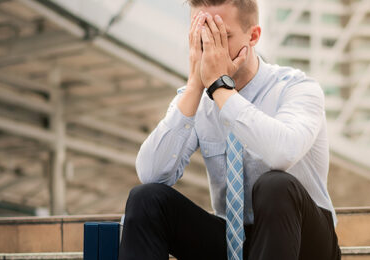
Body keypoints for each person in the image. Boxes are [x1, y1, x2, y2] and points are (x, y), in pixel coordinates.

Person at [118, 0, 341, 259]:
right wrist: (194, 86)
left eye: (222, 36)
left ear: (254, 36)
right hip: (233, 239)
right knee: (146, 198)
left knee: (275, 185)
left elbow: (283, 153)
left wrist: (221, 89)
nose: (212, 48)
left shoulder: (297, 88)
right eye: (202, 35)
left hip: (305, 242)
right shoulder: (196, 99)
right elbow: (150, 173)